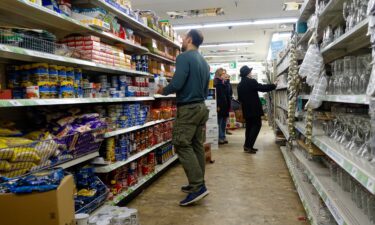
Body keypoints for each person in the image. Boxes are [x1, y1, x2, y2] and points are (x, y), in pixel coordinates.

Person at [157, 29, 210, 206]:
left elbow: (178, 82)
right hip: (201, 107)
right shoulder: (204, 62)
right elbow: (204, 90)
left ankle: (197, 187)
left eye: (183, 38)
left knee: (181, 143)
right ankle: (198, 182)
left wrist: (163, 90)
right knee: (196, 145)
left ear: (188, 39)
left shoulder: (183, 57)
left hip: (188, 108)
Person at [237, 65, 276, 154]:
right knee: (256, 126)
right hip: (254, 109)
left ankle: (247, 146)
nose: (251, 73)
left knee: (249, 128)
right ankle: (249, 146)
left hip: (246, 109)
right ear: (247, 73)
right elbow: (262, 88)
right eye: (250, 72)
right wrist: (274, 85)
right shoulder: (251, 82)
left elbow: (240, 98)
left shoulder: (240, 85)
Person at [214, 68, 230, 145]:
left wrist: (228, 82)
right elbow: (217, 96)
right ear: (219, 74)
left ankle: (223, 136)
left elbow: (229, 93)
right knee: (219, 122)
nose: (225, 75)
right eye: (223, 73)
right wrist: (217, 105)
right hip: (220, 105)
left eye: (225, 73)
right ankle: (220, 137)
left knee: (224, 122)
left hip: (225, 105)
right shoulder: (216, 83)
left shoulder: (224, 83)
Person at [224, 70, 233, 135]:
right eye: (226, 77)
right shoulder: (225, 84)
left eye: (228, 77)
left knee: (227, 117)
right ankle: (225, 130)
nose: (227, 78)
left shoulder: (228, 84)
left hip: (228, 102)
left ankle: (227, 129)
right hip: (226, 102)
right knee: (225, 117)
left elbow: (230, 92)